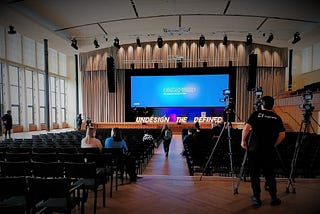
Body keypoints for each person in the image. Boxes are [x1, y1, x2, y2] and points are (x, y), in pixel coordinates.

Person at [241, 96, 285, 208]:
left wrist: (243, 140)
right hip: (268, 150)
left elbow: (246, 128)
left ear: (262, 104)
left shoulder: (256, 114)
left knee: (254, 175)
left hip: (254, 150)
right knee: (270, 175)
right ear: (272, 105)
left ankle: (257, 199)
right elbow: (282, 135)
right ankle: (274, 198)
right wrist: (274, 144)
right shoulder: (277, 117)